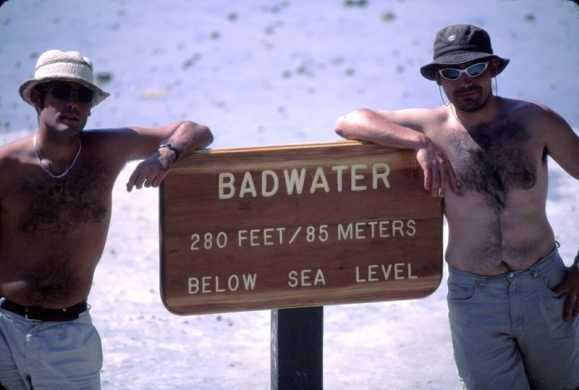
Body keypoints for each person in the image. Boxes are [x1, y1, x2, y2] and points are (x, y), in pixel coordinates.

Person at [335, 24, 579, 389]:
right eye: (451, 73)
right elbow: (348, 121)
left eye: (474, 69)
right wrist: (418, 142)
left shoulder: (535, 120)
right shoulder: (430, 126)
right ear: (438, 79)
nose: (464, 81)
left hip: (545, 286)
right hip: (475, 296)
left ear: (493, 67)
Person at [0, 49, 213, 389]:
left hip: (68, 334)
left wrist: (165, 154)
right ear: (37, 98)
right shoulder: (6, 165)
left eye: (83, 95)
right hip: (4, 328)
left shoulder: (107, 150)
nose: (73, 103)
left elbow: (196, 129)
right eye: (62, 92)